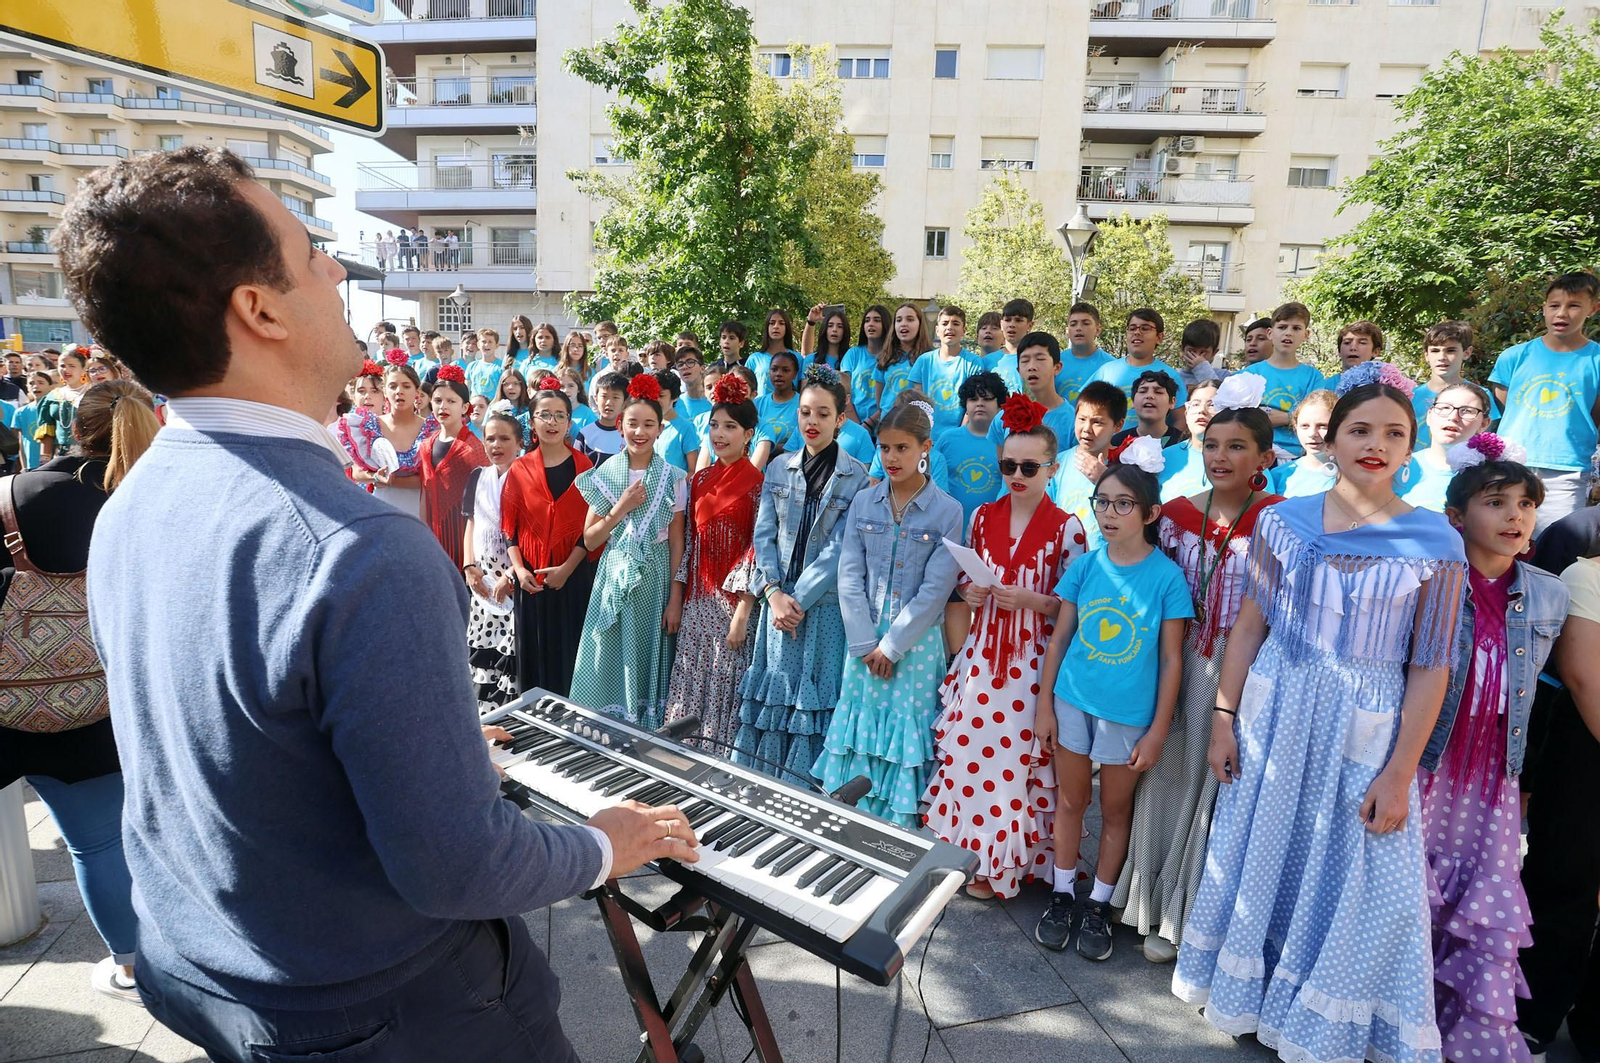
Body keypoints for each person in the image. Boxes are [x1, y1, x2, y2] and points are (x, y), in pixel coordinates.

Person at [58, 147, 696, 1061]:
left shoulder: (129, 503)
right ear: (260, 308)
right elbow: (459, 864)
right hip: (384, 1010)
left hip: (215, 970)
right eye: (311, 250)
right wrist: (603, 844)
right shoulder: (361, 551)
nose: (337, 268)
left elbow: (237, 737)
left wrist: (420, 745)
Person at [1173, 371, 1469, 1063]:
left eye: (1394, 433)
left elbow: (1430, 665)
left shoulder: (1435, 539)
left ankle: (1326, 1013)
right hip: (1277, 711)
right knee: (1269, 845)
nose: (1375, 443)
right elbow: (1249, 627)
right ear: (1331, 440)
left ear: (1410, 446)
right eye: (1360, 429)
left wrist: (1401, 772)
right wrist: (1223, 715)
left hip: (1368, 719)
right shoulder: (1283, 520)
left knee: (1370, 872)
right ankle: (1255, 991)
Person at [1112, 376, 1282, 964]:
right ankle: (1141, 896)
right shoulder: (1180, 514)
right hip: (1175, 659)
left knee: (1213, 788)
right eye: (1211, 445)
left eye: (1236, 447)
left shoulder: (1281, 522)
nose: (1220, 457)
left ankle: (1183, 916)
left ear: (1265, 457)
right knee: (1162, 774)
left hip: (1241, 673)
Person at [1, 380, 159, 1004]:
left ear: (71, 424)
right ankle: (131, 966)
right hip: (104, 699)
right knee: (97, 843)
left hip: (12, 695)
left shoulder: (18, 493)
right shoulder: (148, 497)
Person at [1420, 446, 1564, 1063]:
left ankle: (1463, 1028)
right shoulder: (1430, 579)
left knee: (1478, 896)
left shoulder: (1548, 595)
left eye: (1527, 504)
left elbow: (1544, 697)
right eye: (1496, 502)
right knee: (1409, 886)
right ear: (1456, 515)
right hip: (1428, 763)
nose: (1516, 516)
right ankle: (1396, 1015)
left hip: (1491, 777)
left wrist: (1526, 776)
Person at [1033, 437, 1191, 961]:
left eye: (1123, 504)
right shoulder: (1085, 566)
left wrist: (1158, 728)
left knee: (1115, 808)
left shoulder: (1168, 578)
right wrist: (1044, 704)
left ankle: (1099, 903)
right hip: (1072, 700)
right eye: (1102, 502)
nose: (1109, 513)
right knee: (1071, 799)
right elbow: (1060, 637)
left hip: (1129, 714)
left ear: (1150, 513)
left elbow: (1171, 659)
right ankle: (1061, 893)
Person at [923, 396, 1086, 898]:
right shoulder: (981, 518)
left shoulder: (1069, 528)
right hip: (981, 655)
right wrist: (970, 593)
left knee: (1015, 764)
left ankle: (1003, 867)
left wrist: (1034, 599)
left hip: (1033, 665)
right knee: (972, 755)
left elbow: (1073, 611)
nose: (1017, 474)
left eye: (1029, 466)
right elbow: (968, 589)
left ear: (1051, 469)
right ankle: (968, 855)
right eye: (1008, 465)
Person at [816, 398, 964, 826]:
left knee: (905, 732)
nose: (892, 458)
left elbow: (937, 589)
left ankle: (897, 829)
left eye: (902, 448)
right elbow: (848, 575)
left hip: (914, 646)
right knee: (859, 730)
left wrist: (893, 646)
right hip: (863, 642)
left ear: (925, 448)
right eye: (884, 448)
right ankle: (850, 817)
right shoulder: (864, 503)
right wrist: (866, 643)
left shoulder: (949, 511)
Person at [736, 366, 871, 778]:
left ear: (840, 419)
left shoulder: (859, 478)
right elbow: (763, 535)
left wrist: (796, 601)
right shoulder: (778, 468)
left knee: (816, 696)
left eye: (823, 414)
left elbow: (841, 550)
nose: (812, 422)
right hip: (776, 602)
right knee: (776, 692)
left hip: (824, 607)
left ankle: (810, 787)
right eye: (805, 412)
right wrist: (773, 593)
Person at [1519, 543, 1600, 1059]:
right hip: (1584, 753)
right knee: (1562, 887)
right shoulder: (1585, 576)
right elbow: (1584, 677)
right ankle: (1533, 1016)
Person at [570, 374, 687, 729]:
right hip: (614, 573)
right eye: (633, 423)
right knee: (608, 652)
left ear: (660, 429)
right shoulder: (605, 473)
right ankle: (606, 724)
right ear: (620, 426)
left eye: (649, 424)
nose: (640, 432)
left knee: (647, 655)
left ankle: (645, 728)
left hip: (656, 579)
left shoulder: (674, 477)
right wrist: (620, 508)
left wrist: (675, 599)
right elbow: (590, 539)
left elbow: (678, 541)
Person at [662, 375, 763, 751]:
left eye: (730, 427)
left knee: (726, 684)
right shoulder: (700, 479)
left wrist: (742, 612)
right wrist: (676, 597)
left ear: (749, 434)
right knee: (689, 683)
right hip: (696, 602)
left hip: (733, 606)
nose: (719, 434)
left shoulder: (759, 483)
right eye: (714, 426)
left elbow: (758, 551)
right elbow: (689, 543)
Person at [502, 380, 598, 699]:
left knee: (570, 657)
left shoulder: (585, 469)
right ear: (532, 422)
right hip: (530, 579)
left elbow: (591, 529)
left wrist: (567, 570)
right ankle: (534, 726)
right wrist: (519, 570)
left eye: (559, 415)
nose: (552, 422)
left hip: (572, 577)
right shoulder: (519, 469)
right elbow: (511, 531)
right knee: (533, 655)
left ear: (570, 422)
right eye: (544, 415)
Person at [1489, 271, 1600, 533]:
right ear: (1544, 309)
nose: (1562, 313)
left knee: (1555, 544)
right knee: (1502, 539)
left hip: (1567, 472)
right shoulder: (1513, 356)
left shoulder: (1596, 360)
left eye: (1574, 305)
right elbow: (1501, 409)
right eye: (1554, 305)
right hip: (1510, 464)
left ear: (1593, 309)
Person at [460, 411, 523, 711]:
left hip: (510, 582)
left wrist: (512, 574)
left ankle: (509, 714)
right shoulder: (478, 476)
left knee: (509, 653)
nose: (496, 445)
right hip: (482, 583)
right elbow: (470, 523)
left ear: (520, 443)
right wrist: (468, 566)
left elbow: (529, 535)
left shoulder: (525, 476)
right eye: (490, 438)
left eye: (504, 438)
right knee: (482, 649)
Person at [419, 365, 488, 569]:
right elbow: (424, 492)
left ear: (465, 407)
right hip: (433, 531)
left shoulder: (472, 447)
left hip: (463, 535)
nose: (443, 407)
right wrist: (424, 531)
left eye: (451, 401)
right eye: (438, 401)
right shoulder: (426, 445)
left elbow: (484, 496)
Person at [1237, 301, 1327, 457]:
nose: (1288, 333)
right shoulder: (1248, 375)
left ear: (1306, 335)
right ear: (1270, 333)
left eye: (1296, 328)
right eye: (1282, 327)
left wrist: (1284, 417)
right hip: (1254, 452)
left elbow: (1317, 416)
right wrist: (1293, 416)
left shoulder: (1313, 377)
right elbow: (1237, 416)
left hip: (1295, 454)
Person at [1047, 380, 1129, 549]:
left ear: (1118, 425)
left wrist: (1104, 480)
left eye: (1097, 422)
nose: (1086, 429)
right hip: (1063, 562)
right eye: (1082, 419)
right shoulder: (1058, 464)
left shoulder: (1128, 464)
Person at [1399, 380, 1494, 512]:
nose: (1454, 417)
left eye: (1467, 411)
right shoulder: (1399, 466)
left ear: (1484, 424)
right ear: (1429, 416)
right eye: (1444, 408)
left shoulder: (1490, 476)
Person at [1089, 309, 1189, 429]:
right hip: (1109, 446)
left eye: (1145, 328)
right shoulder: (1106, 371)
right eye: (1132, 328)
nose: (1137, 332)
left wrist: (1167, 445)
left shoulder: (1170, 375)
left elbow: (1180, 419)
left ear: (1160, 337)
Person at [936, 370, 1009, 523]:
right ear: (965, 405)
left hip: (994, 529)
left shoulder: (1008, 443)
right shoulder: (947, 439)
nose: (980, 403)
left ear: (1000, 406)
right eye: (973, 399)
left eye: (987, 399)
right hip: (951, 529)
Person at [1413, 322, 1500, 448]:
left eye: (1450, 350)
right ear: (1426, 355)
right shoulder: (1411, 395)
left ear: (1467, 353)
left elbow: (1487, 439)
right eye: (1435, 351)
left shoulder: (1479, 395)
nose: (1441, 357)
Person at [370, 358, 438, 516]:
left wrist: (391, 481)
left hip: (418, 510)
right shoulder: (371, 426)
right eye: (392, 386)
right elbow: (357, 471)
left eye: (406, 386)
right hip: (381, 508)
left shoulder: (431, 429)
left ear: (417, 392)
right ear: (385, 391)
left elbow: (433, 478)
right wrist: (374, 477)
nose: (399, 391)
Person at [908, 305, 980, 439]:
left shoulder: (974, 363)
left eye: (956, 323)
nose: (949, 327)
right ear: (937, 330)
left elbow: (974, 402)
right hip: (927, 436)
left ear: (964, 330)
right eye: (945, 323)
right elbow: (917, 400)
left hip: (959, 436)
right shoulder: (924, 361)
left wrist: (959, 434)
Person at [1013, 331, 1078, 446]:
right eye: (1025, 361)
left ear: (1057, 367)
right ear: (1018, 370)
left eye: (1040, 359)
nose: (1031, 367)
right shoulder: (1004, 418)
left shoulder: (1074, 422)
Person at [1270, 390, 1339, 498]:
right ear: (1295, 427)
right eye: (1305, 426)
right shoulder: (1278, 475)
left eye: (1322, 426)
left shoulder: (1351, 474)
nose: (1312, 434)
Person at [1159, 380, 1219, 502]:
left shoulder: (1244, 460)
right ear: (1186, 414)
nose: (1202, 410)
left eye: (1212, 404)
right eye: (1195, 404)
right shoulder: (1163, 458)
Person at [875, 302, 931, 418]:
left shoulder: (930, 358)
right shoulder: (885, 357)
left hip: (916, 423)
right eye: (899, 320)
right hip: (888, 423)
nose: (903, 324)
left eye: (910, 320)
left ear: (920, 324)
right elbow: (879, 399)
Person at [749, 350, 801, 470]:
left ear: (795, 374)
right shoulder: (756, 404)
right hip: (758, 471)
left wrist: (765, 448)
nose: (779, 374)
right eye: (774, 369)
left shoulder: (803, 404)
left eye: (785, 370)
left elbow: (802, 443)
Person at [37, 345, 89, 460]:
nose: (66, 370)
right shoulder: (52, 396)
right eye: (62, 366)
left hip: (90, 455)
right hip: (60, 457)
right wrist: (44, 459)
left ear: (84, 368)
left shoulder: (96, 394)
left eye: (72, 366)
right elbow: (47, 433)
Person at [1111, 370, 1184, 449]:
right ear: (1133, 402)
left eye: (1158, 392)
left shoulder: (1184, 444)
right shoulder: (1117, 443)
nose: (1149, 396)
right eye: (1143, 391)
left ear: (1172, 402)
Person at [842, 304, 889, 426]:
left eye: (877, 320)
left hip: (886, 425)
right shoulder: (853, 354)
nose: (871, 324)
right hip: (853, 424)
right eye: (867, 320)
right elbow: (842, 391)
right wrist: (858, 427)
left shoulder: (893, 357)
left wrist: (870, 423)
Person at [652, 369, 699, 473]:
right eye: (653, 394)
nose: (656, 399)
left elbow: (693, 470)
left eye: (661, 395)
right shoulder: (645, 425)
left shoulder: (686, 428)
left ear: (675, 397)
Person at [576, 371, 627, 465]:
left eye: (615, 397)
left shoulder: (630, 434)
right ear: (595, 399)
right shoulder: (585, 434)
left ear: (625, 401)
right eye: (604, 396)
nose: (609, 403)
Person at [1323, 320, 1386, 392]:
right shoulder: (1323, 387)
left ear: (1375, 351)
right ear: (1339, 351)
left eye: (1362, 343)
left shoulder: (1385, 386)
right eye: (1347, 343)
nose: (1353, 348)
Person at [1176, 319, 1226, 393]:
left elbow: (1222, 397)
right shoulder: (1174, 377)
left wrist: (1202, 368)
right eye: (1192, 351)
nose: (1197, 357)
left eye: (1203, 352)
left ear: (1214, 353)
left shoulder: (1223, 376)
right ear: (1182, 349)